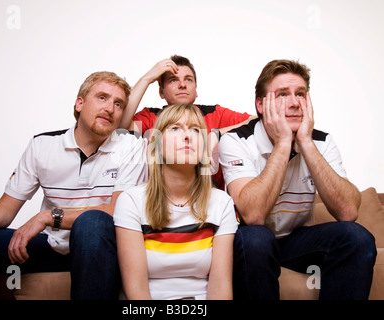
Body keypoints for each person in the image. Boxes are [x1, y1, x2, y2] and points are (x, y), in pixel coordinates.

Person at [0, 71, 148, 300]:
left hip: (99, 248)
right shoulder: (42, 146)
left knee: (92, 223)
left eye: (118, 104)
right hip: (50, 246)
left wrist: (49, 217)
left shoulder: (131, 146)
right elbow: (5, 210)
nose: (110, 108)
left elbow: (116, 211)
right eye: (102, 98)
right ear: (79, 103)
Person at [219, 59, 377, 300]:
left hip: (294, 240)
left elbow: (347, 213)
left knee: (357, 237)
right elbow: (253, 216)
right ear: (261, 104)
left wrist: (305, 142)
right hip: (250, 241)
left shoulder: (322, 142)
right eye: (282, 94)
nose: (294, 103)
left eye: (300, 94)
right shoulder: (236, 141)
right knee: (257, 238)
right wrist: (283, 143)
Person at [114, 104, 238, 300]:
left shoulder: (222, 203)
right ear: (156, 144)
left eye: (196, 130)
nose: (187, 136)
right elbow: (136, 291)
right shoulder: (131, 201)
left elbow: (221, 286)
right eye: (175, 128)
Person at [119, 54, 255, 190]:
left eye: (188, 80)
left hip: (208, 199)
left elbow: (257, 119)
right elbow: (120, 126)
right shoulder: (151, 117)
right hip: (160, 198)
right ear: (161, 92)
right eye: (173, 80)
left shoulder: (215, 114)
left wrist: (217, 133)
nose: (182, 85)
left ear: (196, 91)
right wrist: (147, 78)